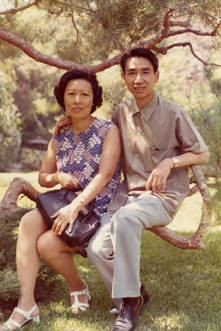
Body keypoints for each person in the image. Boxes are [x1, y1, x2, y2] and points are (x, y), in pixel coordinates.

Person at [52, 48, 210, 331]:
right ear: (124, 77)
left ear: (156, 76)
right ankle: (135, 291)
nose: (138, 78)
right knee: (97, 248)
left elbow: (202, 153)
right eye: (132, 73)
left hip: (162, 197)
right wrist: (71, 121)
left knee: (125, 219)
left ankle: (126, 307)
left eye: (145, 72)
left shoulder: (174, 112)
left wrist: (170, 163)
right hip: (127, 197)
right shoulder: (121, 111)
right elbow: (99, 130)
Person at [0, 69, 121, 330]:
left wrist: (75, 207)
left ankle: (77, 286)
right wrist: (59, 177)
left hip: (94, 210)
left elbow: (106, 174)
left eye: (84, 94)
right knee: (29, 223)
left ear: (94, 99)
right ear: (63, 98)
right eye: (71, 94)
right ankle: (26, 304)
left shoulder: (108, 131)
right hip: (62, 206)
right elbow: (43, 177)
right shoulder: (60, 134)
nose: (77, 100)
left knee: (46, 243)